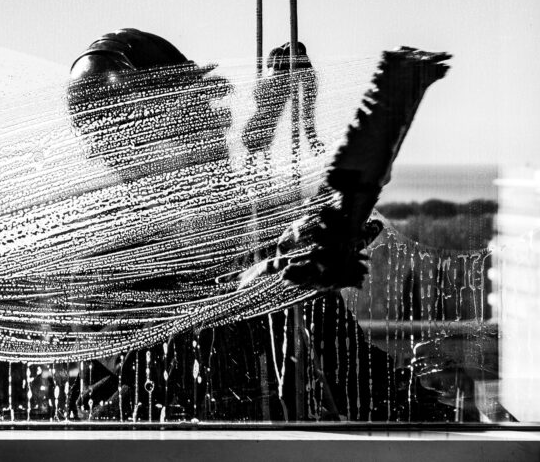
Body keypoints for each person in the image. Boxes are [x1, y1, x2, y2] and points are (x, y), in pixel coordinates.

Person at [65, 28, 454, 422]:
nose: (211, 122)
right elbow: (151, 384)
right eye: (189, 110)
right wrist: (253, 284)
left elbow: (348, 365)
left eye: (199, 106)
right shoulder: (120, 250)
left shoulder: (221, 215)